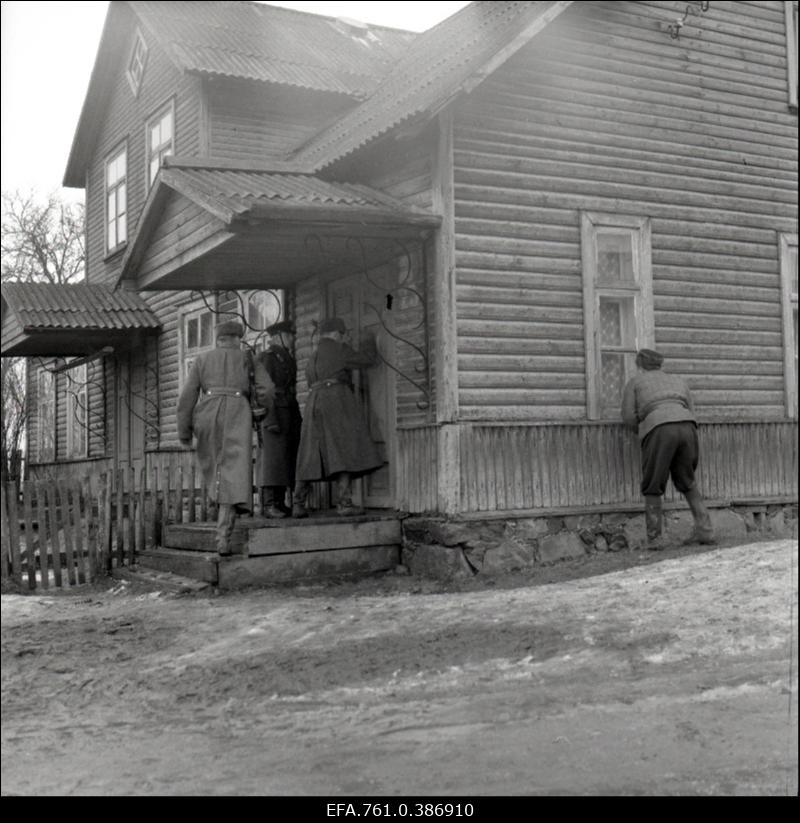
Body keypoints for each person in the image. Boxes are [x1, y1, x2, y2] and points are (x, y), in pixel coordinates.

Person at [177, 320, 274, 555]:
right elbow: (267, 389)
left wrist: (184, 432)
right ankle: (222, 537)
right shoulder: (248, 359)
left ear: (218, 338)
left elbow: (187, 396)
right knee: (233, 473)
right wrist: (261, 410)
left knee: (215, 470)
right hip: (238, 415)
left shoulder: (202, 360)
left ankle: (221, 524)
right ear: (237, 338)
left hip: (207, 415)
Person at [622, 348, 715, 550]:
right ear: (660, 364)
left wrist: (643, 430)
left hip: (659, 428)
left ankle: (655, 539)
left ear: (639, 365)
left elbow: (628, 417)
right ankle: (706, 531)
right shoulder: (679, 381)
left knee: (653, 482)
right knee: (687, 480)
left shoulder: (635, 382)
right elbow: (691, 409)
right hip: (687, 426)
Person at [292, 317, 383, 518]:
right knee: (344, 448)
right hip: (335, 400)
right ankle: (344, 503)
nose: (344, 338)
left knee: (309, 453)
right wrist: (368, 338)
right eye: (343, 335)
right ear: (336, 334)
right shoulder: (339, 349)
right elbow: (368, 359)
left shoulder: (314, 355)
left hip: (313, 402)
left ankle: (298, 503)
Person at [256, 320, 302, 519]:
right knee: (272, 460)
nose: (293, 339)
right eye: (289, 335)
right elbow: (264, 391)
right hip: (273, 412)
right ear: (277, 336)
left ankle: (280, 502)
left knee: (285, 458)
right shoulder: (268, 358)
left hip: (289, 411)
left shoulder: (286, 358)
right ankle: (268, 505)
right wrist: (270, 418)